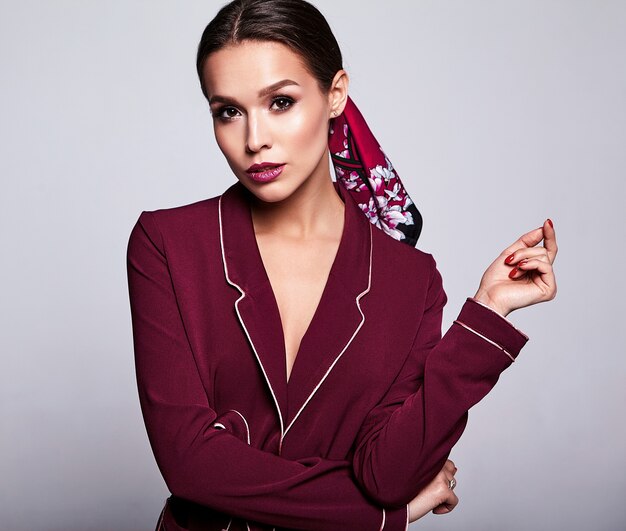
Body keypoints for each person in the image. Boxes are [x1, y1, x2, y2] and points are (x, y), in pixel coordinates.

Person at [126, 1, 558, 530]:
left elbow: (387, 475)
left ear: (335, 94)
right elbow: (190, 465)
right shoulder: (167, 245)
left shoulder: (410, 279)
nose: (253, 138)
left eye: (280, 102)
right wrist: (378, 519)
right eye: (228, 111)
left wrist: (487, 315)